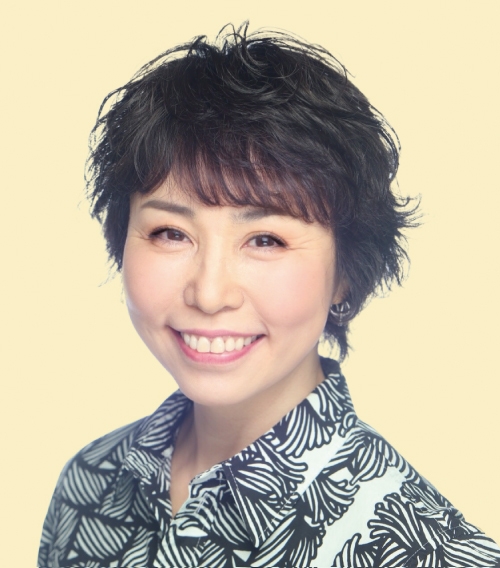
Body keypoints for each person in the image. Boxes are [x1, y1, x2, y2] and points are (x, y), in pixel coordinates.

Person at [38, 23, 500, 568]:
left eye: (266, 240)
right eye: (171, 233)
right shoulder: (90, 482)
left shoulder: (426, 552)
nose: (210, 293)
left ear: (345, 273)